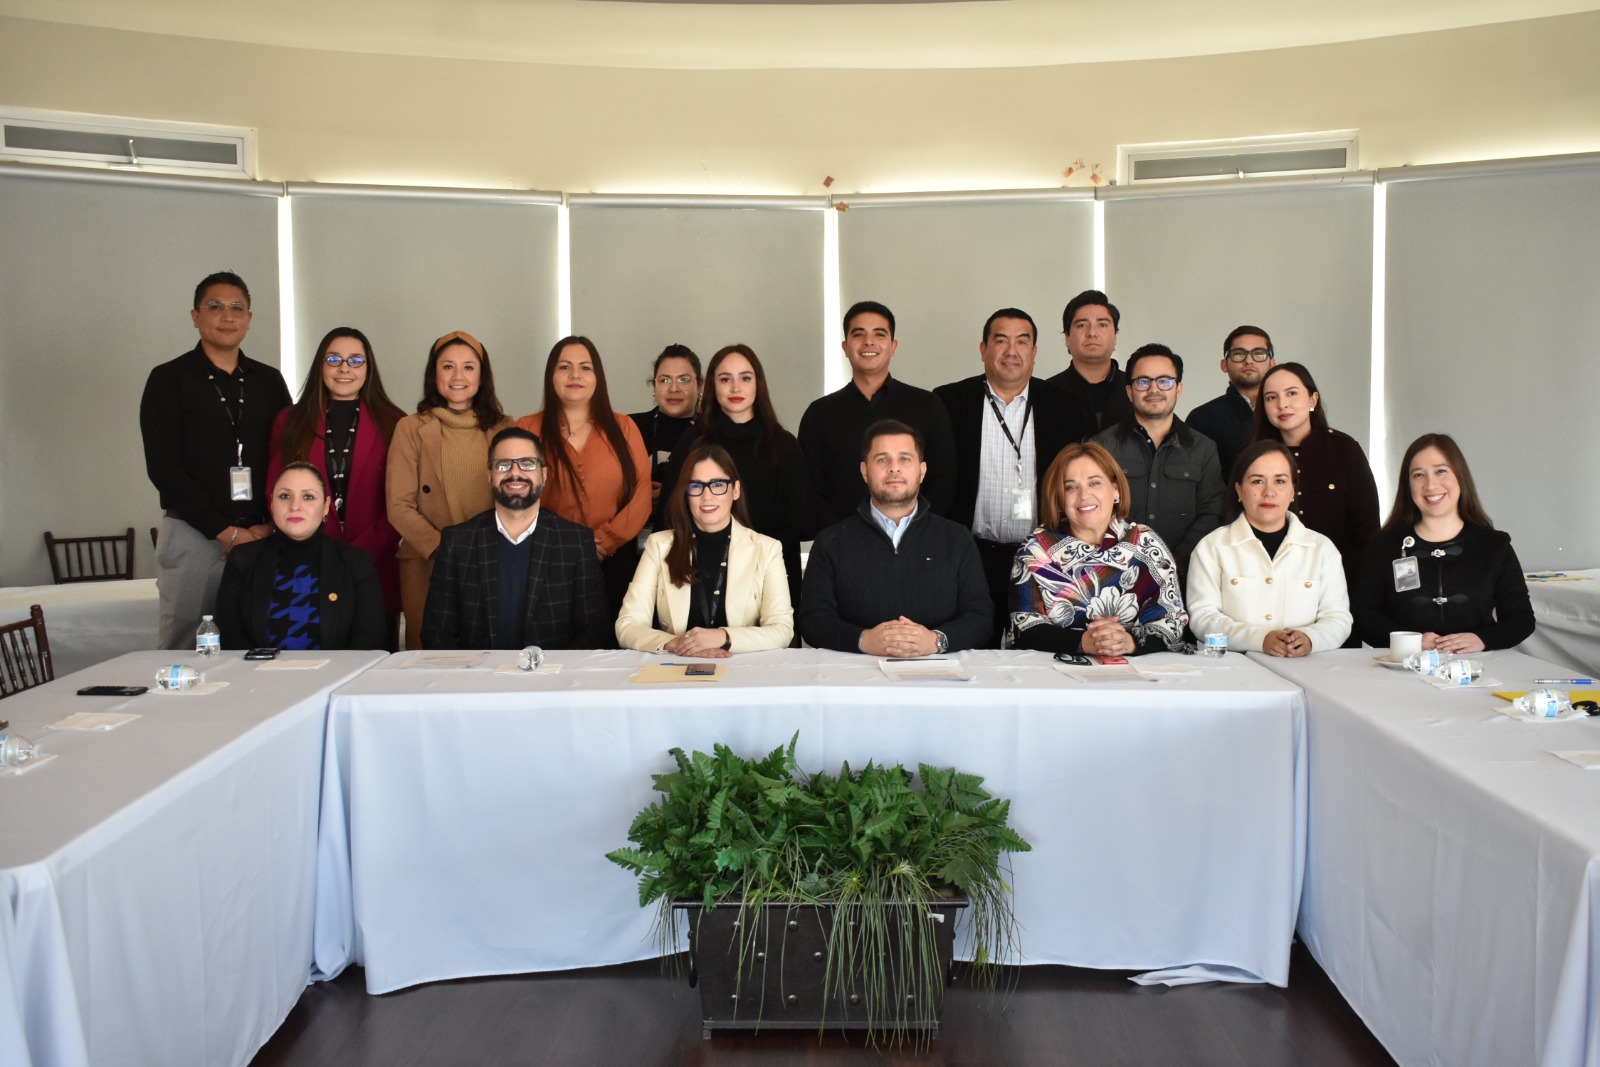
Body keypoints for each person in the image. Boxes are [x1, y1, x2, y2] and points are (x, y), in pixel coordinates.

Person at [141, 271, 293, 649]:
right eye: (215, 306)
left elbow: (288, 456)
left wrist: (269, 527)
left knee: (261, 638)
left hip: (260, 535)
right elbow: (164, 468)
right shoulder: (169, 379)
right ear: (196, 316)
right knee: (184, 643)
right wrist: (225, 532)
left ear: (249, 319)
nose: (228, 315)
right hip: (193, 535)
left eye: (237, 307)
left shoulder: (269, 381)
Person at [934, 308, 1095, 647]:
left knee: (1040, 651)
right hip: (971, 555)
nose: (1012, 351)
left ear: (1034, 352)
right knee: (973, 648)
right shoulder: (948, 403)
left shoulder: (1067, 407)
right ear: (983, 349)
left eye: (1022, 342)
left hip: (1044, 556)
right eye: (1001, 341)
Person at [800, 420, 990, 656]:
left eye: (905, 459)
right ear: (864, 471)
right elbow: (813, 619)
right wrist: (862, 640)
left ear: (922, 471)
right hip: (855, 670)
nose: (894, 468)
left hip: (939, 670)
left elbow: (981, 616)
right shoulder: (831, 541)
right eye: (882, 460)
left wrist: (936, 641)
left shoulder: (957, 538)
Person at [268, 326, 407, 647]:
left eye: (355, 360)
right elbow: (275, 491)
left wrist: (357, 554)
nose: (345, 368)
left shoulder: (396, 422)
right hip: (307, 563)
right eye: (334, 359)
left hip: (375, 563)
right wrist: (320, 550)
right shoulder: (289, 421)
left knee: (373, 662)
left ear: (368, 368)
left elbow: (401, 498)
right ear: (320, 365)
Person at [657, 344, 818, 609]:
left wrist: (755, 559)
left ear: (758, 384)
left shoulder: (783, 445)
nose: (735, 388)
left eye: (745, 378)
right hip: (701, 574)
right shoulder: (693, 443)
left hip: (770, 575)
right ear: (712, 385)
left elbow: (798, 519)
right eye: (725, 379)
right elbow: (671, 513)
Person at [421, 427, 608, 650]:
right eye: (503, 465)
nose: (515, 473)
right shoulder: (457, 541)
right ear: (489, 476)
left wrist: (555, 671)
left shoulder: (576, 541)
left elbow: (594, 631)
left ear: (544, 474)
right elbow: (437, 633)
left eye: (527, 464)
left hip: (554, 671)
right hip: (477, 671)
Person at [387, 330, 513, 651]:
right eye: (448, 367)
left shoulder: (506, 428)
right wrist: (446, 550)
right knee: (430, 660)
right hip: (428, 560)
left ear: (482, 376)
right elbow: (399, 506)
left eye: (469, 367)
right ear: (434, 374)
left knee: (492, 657)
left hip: (492, 559)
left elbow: (517, 500)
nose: (458, 376)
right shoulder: (410, 428)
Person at [1352, 433, 1534, 653]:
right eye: (1419, 475)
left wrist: (1482, 639)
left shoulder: (1494, 545)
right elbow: (1363, 615)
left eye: (1440, 471)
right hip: (1404, 665)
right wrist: (1410, 642)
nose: (1431, 485)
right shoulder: (1383, 545)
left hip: (1477, 666)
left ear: (1460, 476)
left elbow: (1521, 618)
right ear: (1408, 485)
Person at [1008, 442, 1187, 655]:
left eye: (1094, 483)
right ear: (1059, 498)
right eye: (1070, 487)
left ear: (1116, 490)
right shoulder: (1034, 550)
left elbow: (1172, 621)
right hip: (1054, 669)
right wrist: (1084, 642)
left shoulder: (1147, 543)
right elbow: (1023, 627)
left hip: (1135, 669)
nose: (1084, 495)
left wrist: (1128, 642)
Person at [517, 336, 651, 618]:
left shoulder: (624, 427)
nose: (575, 375)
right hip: (547, 559)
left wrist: (605, 541)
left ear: (597, 377)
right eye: (564, 367)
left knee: (616, 640)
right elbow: (515, 498)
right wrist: (568, 545)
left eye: (585, 367)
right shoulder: (527, 429)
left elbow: (641, 494)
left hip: (614, 561)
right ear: (551, 375)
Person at [616, 444, 793, 655]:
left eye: (717, 484)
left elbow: (782, 630)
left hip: (741, 666)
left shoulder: (767, 549)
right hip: (676, 664)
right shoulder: (659, 545)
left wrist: (724, 637)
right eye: (696, 486)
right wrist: (677, 643)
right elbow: (627, 624)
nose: (707, 496)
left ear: (735, 490)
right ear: (686, 493)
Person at [1187, 441, 1352, 656]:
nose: (1269, 492)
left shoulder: (1322, 549)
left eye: (1280, 481)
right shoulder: (1212, 547)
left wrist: (1311, 638)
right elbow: (1203, 618)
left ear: (1293, 491)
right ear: (1239, 490)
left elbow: (1338, 618)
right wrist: (1259, 638)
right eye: (1257, 481)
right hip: (1235, 669)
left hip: (1306, 668)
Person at [798, 300, 957, 520]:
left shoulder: (928, 405)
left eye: (879, 334)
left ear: (893, 346)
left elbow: (943, 482)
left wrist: (912, 530)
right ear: (845, 348)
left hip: (915, 536)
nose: (869, 342)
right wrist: (840, 534)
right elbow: (809, 489)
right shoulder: (819, 413)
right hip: (840, 537)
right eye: (859, 334)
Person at [215, 462, 385, 650]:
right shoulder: (242, 559)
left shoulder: (356, 563)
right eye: (285, 496)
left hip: (339, 669)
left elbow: (369, 639)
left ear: (326, 506)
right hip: (256, 669)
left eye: (308, 497)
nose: (295, 506)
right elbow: (230, 635)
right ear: (272, 504)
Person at [1091, 343, 1223, 582]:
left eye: (1164, 381)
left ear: (1178, 388)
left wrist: (1172, 563)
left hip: (1185, 577)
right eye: (1143, 382)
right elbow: (1091, 509)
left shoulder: (1203, 449)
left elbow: (1212, 513)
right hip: (1115, 577)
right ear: (1129, 391)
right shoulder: (1102, 447)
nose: (1154, 389)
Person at [1251, 362, 1379, 597]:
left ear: (1313, 399)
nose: (1282, 404)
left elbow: (1366, 529)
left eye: (1292, 393)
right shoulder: (1253, 457)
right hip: (1268, 585)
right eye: (1271, 398)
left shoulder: (1344, 450)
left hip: (1337, 584)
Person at [1186, 325, 1277, 480]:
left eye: (1259, 354)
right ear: (1224, 365)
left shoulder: (1287, 412)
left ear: (1272, 364)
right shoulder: (1201, 419)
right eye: (1239, 354)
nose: (1249, 360)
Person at [627, 343, 702, 511]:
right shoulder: (629, 427)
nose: (674, 389)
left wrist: (671, 493)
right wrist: (639, 495)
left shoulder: (712, 432)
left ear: (700, 385)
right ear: (654, 386)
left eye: (684, 380)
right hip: (633, 524)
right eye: (665, 380)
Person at [1047, 290, 1132, 433]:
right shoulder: (1046, 393)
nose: (1092, 333)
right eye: (1082, 325)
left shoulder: (1137, 390)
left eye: (1102, 325)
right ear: (1067, 337)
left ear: (1115, 337)